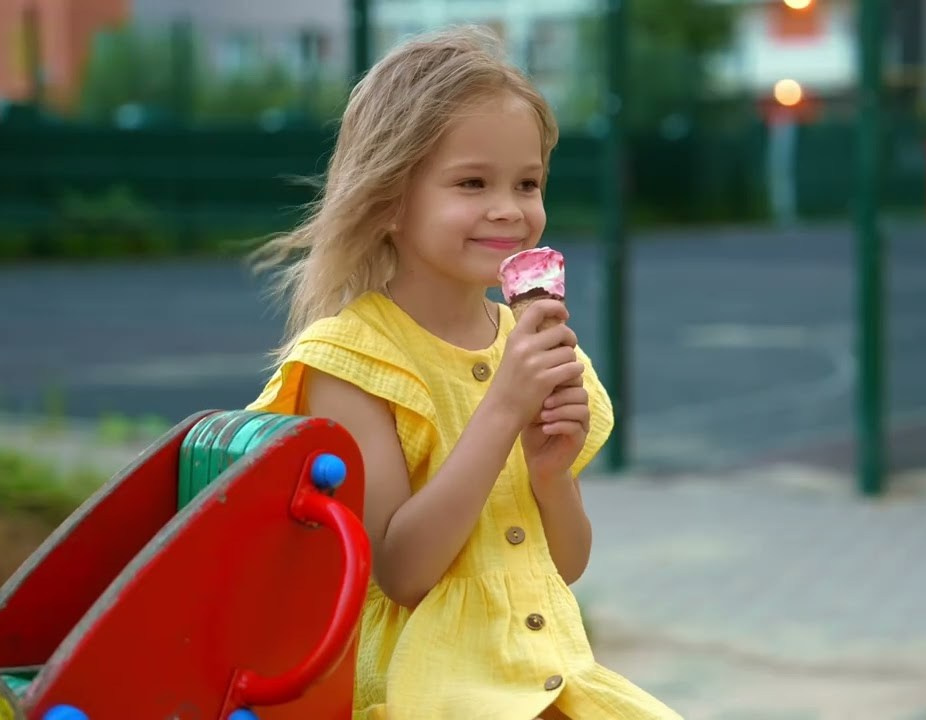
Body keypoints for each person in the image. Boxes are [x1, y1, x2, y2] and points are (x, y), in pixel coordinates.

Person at [244, 25, 682, 720]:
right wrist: (504, 409)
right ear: (391, 200)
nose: (509, 208)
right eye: (472, 183)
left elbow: (564, 565)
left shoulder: (527, 342)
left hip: (545, 676)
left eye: (528, 182)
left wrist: (551, 475)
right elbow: (404, 571)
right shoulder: (350, 362)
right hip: (429, 690)